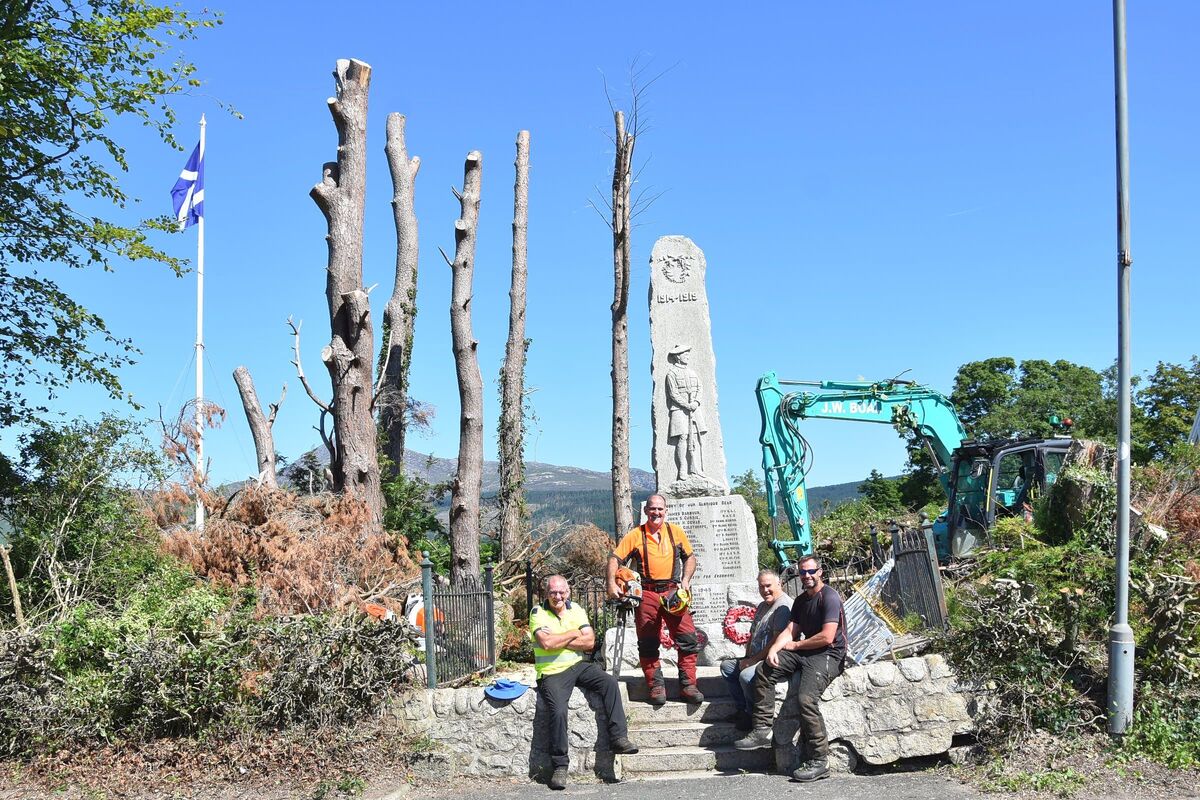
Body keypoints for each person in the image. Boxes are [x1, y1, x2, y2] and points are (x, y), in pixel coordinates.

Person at [733, 555, 847, 783]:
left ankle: (819, 761)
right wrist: (775, 649)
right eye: (803, 572)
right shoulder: (801, 601)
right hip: (805, 652)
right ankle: (763, 729)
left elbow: (826, 637)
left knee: (806, 700)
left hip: (828, 655)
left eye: (811, 571)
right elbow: (790, 630)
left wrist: (795, 645)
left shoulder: (830, 598)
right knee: (765, 669)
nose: (807, 576)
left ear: (820, 572)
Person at [530, 575, 639, 790]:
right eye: (553, 592)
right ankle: (560, 766)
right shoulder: (538, 612)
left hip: (578, 666)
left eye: (561, 592)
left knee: (609, 683)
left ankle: (619, 738)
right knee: (559, 711)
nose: (557, 596)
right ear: (547, 594)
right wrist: (572, 633)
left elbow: (589, 643)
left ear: (568, 592)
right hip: (552, 672)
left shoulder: (577, 609)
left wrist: (560, 638)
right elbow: (546, 643)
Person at [606, 494, 703, 705]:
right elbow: (615, 559)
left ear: (665, 511)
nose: (656, 513)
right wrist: (612, 584)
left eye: (660, 509)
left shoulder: (675, 532)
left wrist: (685, 580)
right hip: (647, 593)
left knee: (688, 639)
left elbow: (690, 557)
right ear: (645, 511)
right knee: (648, 643)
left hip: (673, 592)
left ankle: (688, 686)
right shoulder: (635, 535)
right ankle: (656, 687)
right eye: (652, 509)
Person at [720, 570, 793, 731]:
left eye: (768, 586)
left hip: (772, 658)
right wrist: (746, 657)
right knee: (728, 667)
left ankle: (754, 715)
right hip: (755, 656)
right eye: (761, 587)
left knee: (746, 676)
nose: (765, 590)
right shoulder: (762, 606)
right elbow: (753, 634)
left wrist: (753, 661)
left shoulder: (783, 606)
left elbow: (776, 640)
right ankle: (742, 709)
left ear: (779, 583)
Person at [665, 344, 707, 481]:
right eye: (685, 354)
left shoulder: (692, 372)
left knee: (694, 437)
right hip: (679, 409)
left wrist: (696, 403)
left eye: (688, 354)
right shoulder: (671, 373)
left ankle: (695, 468)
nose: (687, 356)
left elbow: (700, 388)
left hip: (693, 408)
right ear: (678, 356)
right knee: (682, 437)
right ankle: (682, 468)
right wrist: (686, 405)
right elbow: (673, 393)